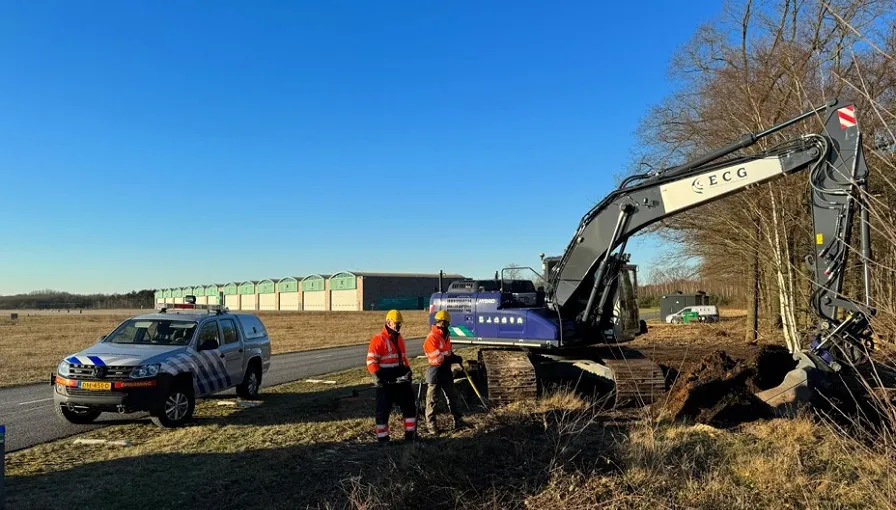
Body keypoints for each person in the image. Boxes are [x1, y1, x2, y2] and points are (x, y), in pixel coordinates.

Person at [366, 309, 417, 442]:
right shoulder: (378, 339)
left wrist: (408, 371)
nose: (399, 325)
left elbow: (403, 358)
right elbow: (371, 361)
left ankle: (411, 435)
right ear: (388, 322)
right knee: (383, 410)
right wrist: (377, 376)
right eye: (396, 323)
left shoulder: (400, 339)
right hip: (385, 379)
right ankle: (383, 439)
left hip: (400, 379)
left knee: (410, 406)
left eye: (400, 323)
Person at [423, 310, 467, 434]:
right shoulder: (432, 337)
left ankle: (459, 421)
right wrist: (450, 359)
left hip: (446, 371)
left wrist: (455, 357)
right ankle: (431, 426)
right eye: (446, 323)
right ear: (441, 322)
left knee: (453, 397)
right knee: (432, 401)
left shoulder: (445, 336)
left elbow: (447, 352)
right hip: (435, 372)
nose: (447, 325)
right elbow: (436, 359)